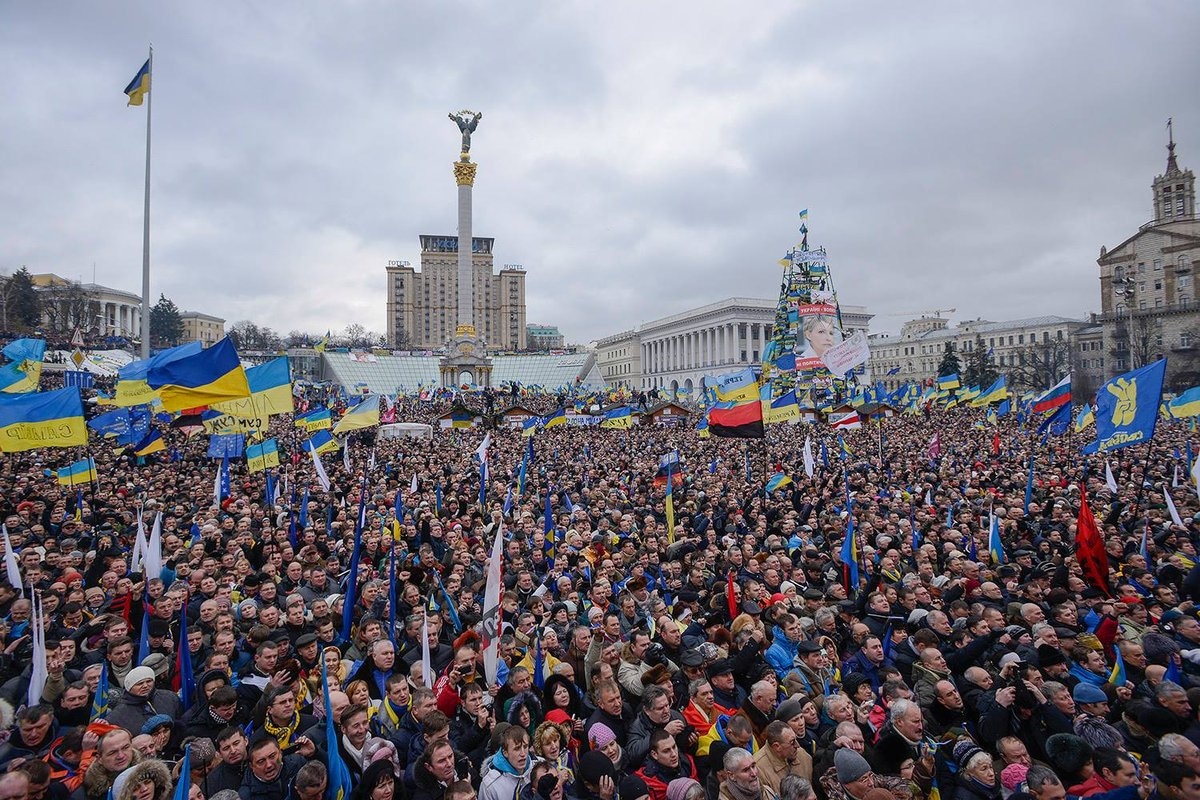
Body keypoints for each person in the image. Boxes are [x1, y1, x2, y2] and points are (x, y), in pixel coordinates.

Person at [479, 725, 534, 800]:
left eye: (525, 747)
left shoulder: (538, 768)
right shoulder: (490, 785)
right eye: (517, 748)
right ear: (505, 752)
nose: (523, 754)